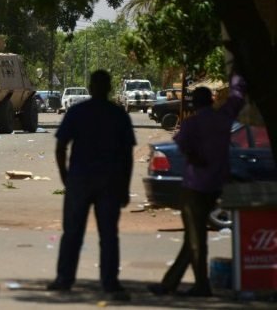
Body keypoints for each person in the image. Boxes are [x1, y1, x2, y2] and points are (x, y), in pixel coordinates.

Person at [148, 74, 246, 298]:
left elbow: (182, 146)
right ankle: (168, 285)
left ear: (194, 104)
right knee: (193, 238)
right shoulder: (223, 118)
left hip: (194, 187)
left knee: (195, 240)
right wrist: (237, 75)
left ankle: (201, 285)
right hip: (215, 186)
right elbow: (237, 99)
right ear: (212, 100)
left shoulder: (191, 124)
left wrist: (196, 156)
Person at [48, 69, 135, 300]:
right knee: (108, 235)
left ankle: (64, 280)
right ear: (109, 88)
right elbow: (127, 156)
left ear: (90, 87)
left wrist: (66, 177)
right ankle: (110, 283)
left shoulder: (78, 112)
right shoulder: (118, 115)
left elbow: (60, 147)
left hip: (80, 181)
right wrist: (125, 187)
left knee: (72, 233)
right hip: (110, 182)